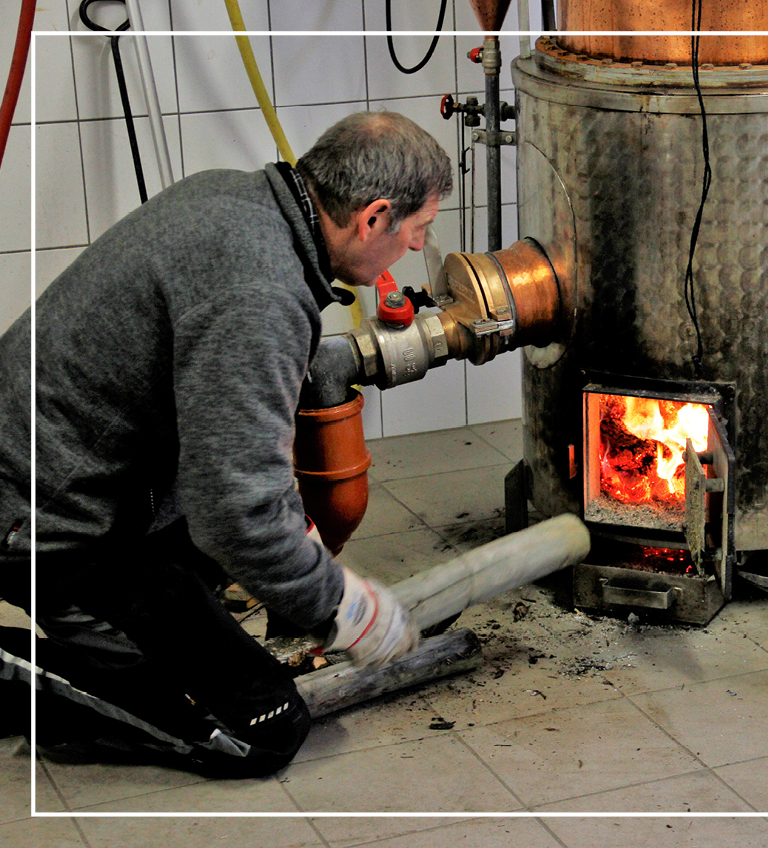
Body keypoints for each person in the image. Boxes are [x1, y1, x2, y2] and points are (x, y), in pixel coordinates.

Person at [0, 111, 453, 776]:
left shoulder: (237, 198)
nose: (418, 246)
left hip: (94, 479)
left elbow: (230, 446)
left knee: (224, 588)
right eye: (420, 228)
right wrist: (345, 608)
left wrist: (287, 544)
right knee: (261, 729)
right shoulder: (259, 292)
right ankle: (15, 670)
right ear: (374, 218)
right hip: (51, 524)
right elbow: (232, 514)